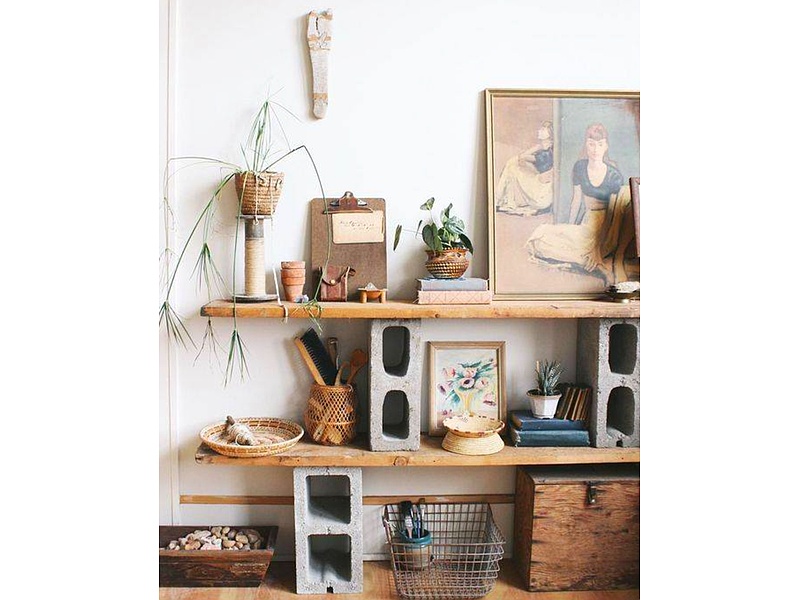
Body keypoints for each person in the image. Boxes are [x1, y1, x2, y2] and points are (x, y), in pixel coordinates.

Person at [526, 123, 635, 284]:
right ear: (586, 144)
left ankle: (599, 260)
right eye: (591, 144)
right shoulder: (580, 167)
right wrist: (569, 228)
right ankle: (592, 263)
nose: (595, 149)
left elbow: (613, 214)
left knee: (588, 249)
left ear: (606, 146)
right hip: (586, 224)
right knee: (538, 240)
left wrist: (596, 248)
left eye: (600, 144)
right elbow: (576, 201)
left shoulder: (613, 174)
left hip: (607, 229)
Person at [495, 121, 554, 216]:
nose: (539, 131)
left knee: (512, 164)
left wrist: (537, 147)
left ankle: (502, 200)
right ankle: (505, 201)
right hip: (540, 190)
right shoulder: (544, 150)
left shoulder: (546, 154)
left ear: (550, 134)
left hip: (541, 195)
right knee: (512, 165)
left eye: (543, 129)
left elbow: (521, 157)